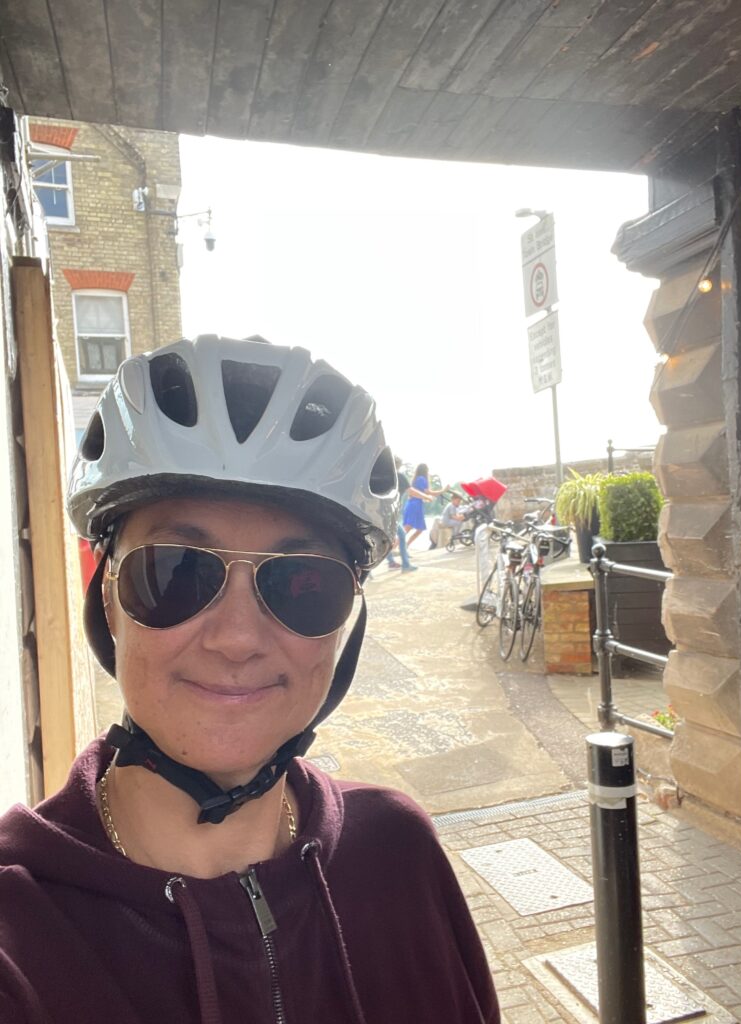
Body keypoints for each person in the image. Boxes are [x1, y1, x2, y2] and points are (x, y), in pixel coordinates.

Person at [0, 335, 500, 1024]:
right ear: (108, 595)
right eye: (176, 571)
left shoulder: (398, 855)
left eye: (302, 585)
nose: (236, 638)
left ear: (346, 617)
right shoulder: (18, 935)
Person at [385, 456, 428, 572]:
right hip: (390, 513)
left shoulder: (385, 476)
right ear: (398, 465)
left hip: (381, 512)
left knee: (388, 538)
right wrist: (426, 497)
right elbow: (411, 491)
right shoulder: (399, 476)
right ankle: (405, 565)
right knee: (400, 535)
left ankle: (392, 562)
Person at [401, 462, 444, 548]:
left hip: (414, 504)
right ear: (425, 470)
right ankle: (394, 546)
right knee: (408, 527)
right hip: (415, 506)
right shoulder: (421, 479)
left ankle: (405, 546)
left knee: (419, 529)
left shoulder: (417, 479)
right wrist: (443, 490)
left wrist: (427, 498)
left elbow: (422, 493)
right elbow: (427, 492)